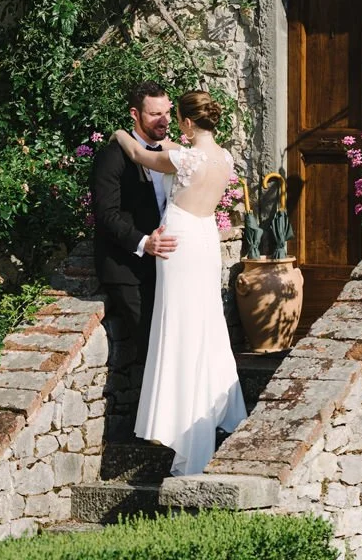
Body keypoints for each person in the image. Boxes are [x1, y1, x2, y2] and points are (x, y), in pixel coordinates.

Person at [111, 90, 247, 477]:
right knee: (203, 322)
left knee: (179, 326)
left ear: (187, 122)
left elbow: (140, 154)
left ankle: (180, 422)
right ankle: (211, 406)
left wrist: (120, 133)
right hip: (205, 240)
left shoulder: (182, 158)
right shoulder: (223, 157)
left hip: (180, 242)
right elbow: (178, 150)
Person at [90, 82, 178, 367]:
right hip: (127, 269)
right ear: (135, 114)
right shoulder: (112, 156)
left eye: (167, 113)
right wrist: (144, 243)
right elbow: (106, 215)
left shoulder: (169, 153)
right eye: (154, 114)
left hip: (166, 266)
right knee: (151, 348)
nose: (163, 121)